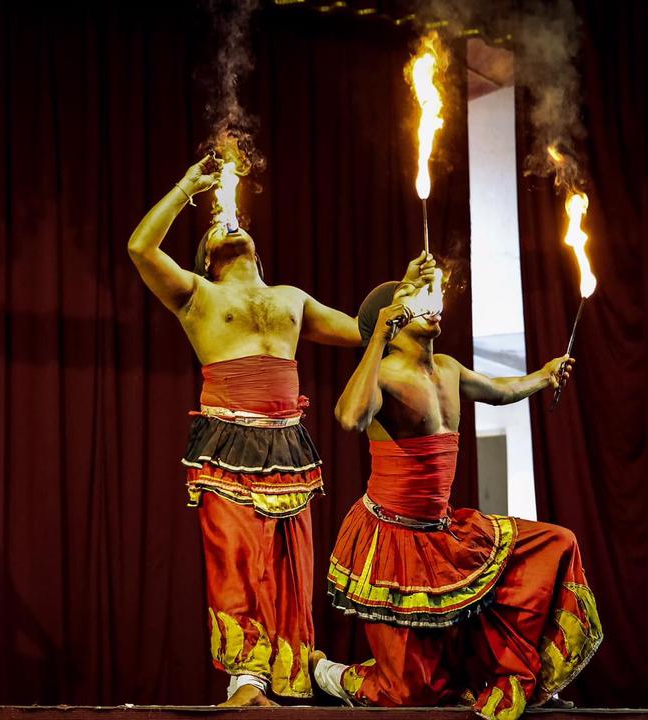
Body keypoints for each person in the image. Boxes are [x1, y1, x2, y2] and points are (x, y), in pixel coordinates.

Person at [127, 156, 435, 706]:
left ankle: (299, 671)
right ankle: (245, 681)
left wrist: (408, 290)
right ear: (206, 258)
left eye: (234, 223)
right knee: (236, 560)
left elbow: (366, 331)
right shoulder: (196, 295)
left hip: (288, 445)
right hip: (227, 440)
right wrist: (187, 187)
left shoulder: (292, 298)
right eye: (217, 228)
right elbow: (140, 248)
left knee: (289, 567)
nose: (229, 224)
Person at [312, 282, 602, 720]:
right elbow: (350, 417)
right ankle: (328, 673)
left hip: (444, 531)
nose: (430, 304)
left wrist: (543, 376)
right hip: (393, 541)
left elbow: (499, 390)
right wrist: (375, 339)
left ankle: (509, 674)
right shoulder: (383, 375)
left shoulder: (448, 367)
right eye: (412, 300)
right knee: (409, 694)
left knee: (557, 543)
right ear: (392, 321)